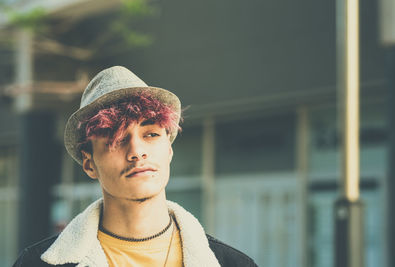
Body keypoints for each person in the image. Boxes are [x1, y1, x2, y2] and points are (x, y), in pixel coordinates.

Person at [13, 66, 258, 267]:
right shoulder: (35, 263)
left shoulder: (233, 264)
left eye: (150, 134)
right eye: (116, 139)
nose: (137, 152)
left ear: (169, 150)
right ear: (89, 164)